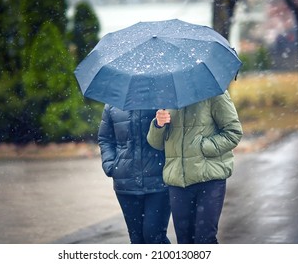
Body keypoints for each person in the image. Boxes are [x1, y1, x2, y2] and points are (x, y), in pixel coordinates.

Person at [147, 91, 243, 244]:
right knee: (185, 240)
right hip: (178, 182)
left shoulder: (214, 93)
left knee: (204, 239)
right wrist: (158, 124)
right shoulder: (168, 95)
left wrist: (202, 147)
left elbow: (233, 132)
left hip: (209, 179)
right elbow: (156, 143)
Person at [98, 104, 171, 244]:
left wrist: (161, 124)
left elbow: (173, 136)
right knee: (136, 239)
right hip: (125, 183)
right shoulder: (112, 104)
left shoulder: (162, 100)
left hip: (159, 182)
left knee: (154, 237)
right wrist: (111, 166)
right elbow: (105, 139)